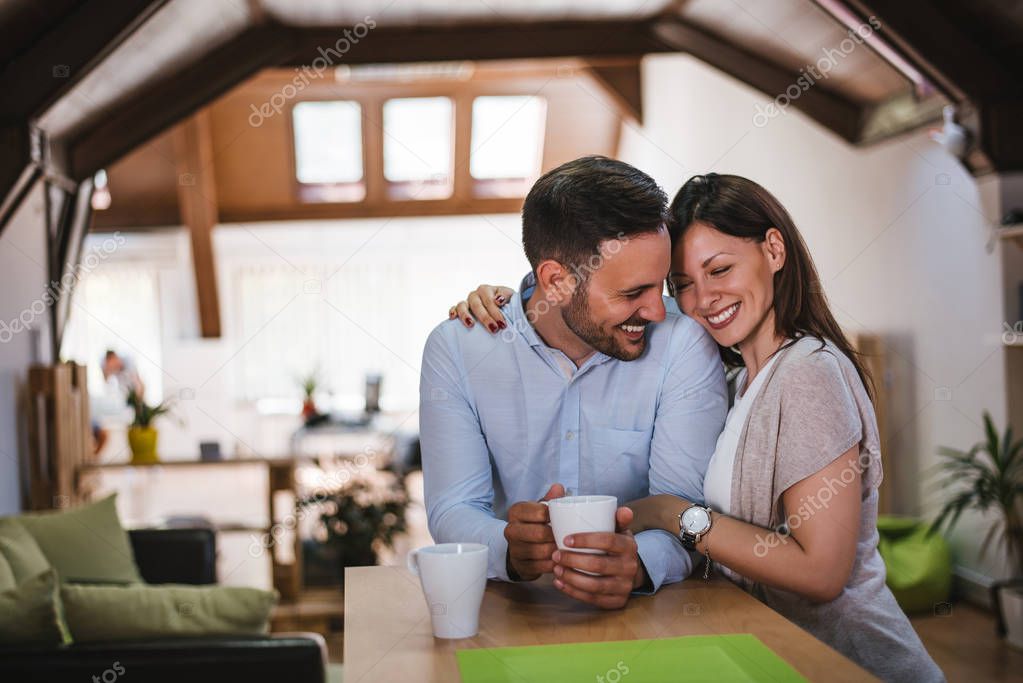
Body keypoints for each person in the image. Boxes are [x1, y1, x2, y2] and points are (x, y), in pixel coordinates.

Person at [449, 173, 944, 681]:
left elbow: (821, 573)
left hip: (855, 664)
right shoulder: (738, 380)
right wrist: (521, 305)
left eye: (720, 269)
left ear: (774, 250)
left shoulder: (809, 373)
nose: (703, 299)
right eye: (682, 284)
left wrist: (673, 514)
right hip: (778, 656)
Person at [420, 156, 727, 609]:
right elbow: (453, 508)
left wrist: (639, 563)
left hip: (651, 616)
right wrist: (509, 547)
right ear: (556, 281)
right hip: (512, 611)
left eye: (661, 286)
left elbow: (685, 508)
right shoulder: (459, 349)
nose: (659, 311)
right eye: (632, 293)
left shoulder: (683, 344)